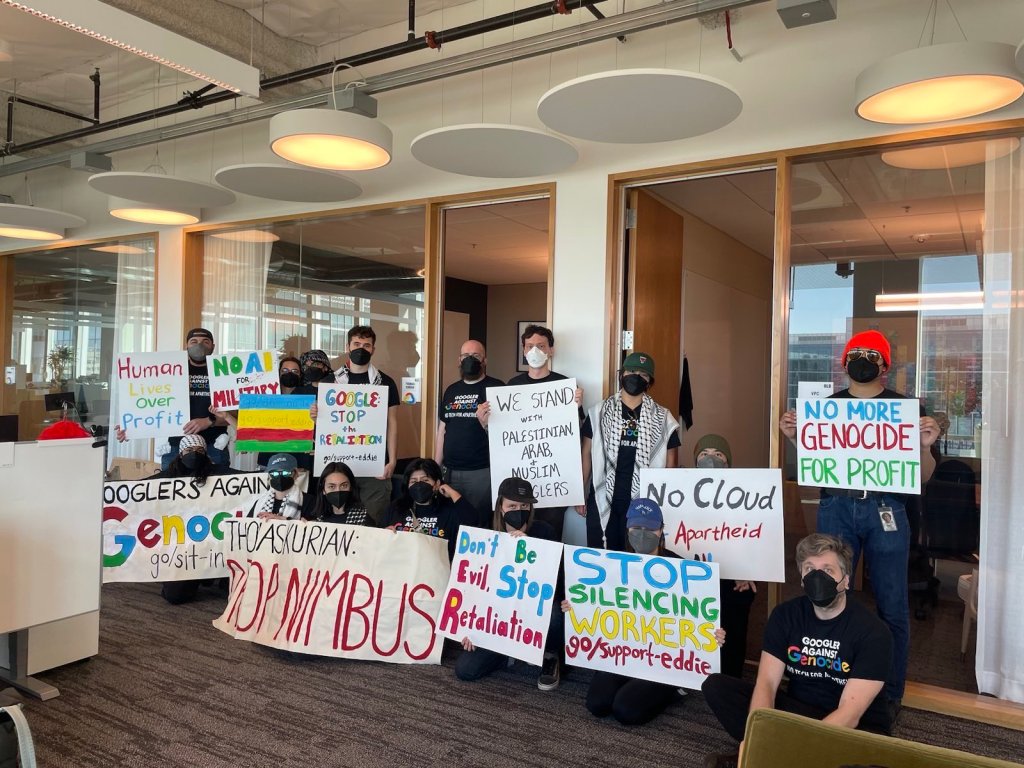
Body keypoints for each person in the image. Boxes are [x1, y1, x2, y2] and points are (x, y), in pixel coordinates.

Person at [779, 329, 939, 712]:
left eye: (872, 354)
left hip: (887, 508)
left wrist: (926, 447)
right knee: (825, 594)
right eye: (856, 353)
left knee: (893, 604)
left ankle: (889, 695)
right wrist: (796, 439)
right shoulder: (828, 409)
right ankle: (827, 682)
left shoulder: (906, 411)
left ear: (885, 364)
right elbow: (819, 469)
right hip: (836, 505)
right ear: (844, 362)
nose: (863, 359)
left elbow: (924, 476)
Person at [701, 533, 893, 768]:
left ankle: (773, 758)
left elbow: (850, 713)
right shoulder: (785, 615)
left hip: (857, 727)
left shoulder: (872, 631)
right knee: (717, 687)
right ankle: (772, 752)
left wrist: (797, 747)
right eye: (809, 569)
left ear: (846, 580)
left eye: (828, 570)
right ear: (802, 579)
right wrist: (758, 736)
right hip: (798, 714)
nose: (817, 576)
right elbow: (767, 684)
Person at [569, 498, 725, 726]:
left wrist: (712, 634)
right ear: (627, 529)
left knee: (626, 711)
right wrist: (575, 608)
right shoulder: (613, 564)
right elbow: (597, 605)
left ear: (661, 530)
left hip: (663, 659)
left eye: (650, 528)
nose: (642, 534)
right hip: (623, 651)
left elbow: (698, 616)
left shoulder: (680, 569)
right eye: (636, 528)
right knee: (597, 704)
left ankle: (673, 689)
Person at [476, 324, 586, 541]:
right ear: (524, 351)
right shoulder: (511, 387)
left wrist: (577, 407)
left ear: (551, 350)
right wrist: (484, 422)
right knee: (516, 537)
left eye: (541, 346)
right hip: (518, 488)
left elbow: (576, 435)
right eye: (530, 346)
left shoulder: (564, 386)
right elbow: (502, 437)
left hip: (555, 485)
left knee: (550, 539)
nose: (535, 351)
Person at [454, 476, 564, 691]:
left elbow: (554, 586)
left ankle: (549, 655)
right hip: (496, 619)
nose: (519, 510)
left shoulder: (544, 532)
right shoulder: (484, 534)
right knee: (465, 670)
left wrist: (529, 547)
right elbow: (470, 586)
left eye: (524, 505)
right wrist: (469, 628)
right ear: (501, 508)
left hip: (533, 613)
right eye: (512, 505)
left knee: (556, 613)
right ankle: (511, 652)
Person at [581, 352, 680, 550]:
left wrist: (667, 504)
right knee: (601, 556)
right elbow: (586, 455)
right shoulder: (598, 412)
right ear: (621, 374)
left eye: (643, 374)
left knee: (635, 560)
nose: (636, 377)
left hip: (643, 505)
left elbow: (671, 464)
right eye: (631, 371)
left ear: (649, 381)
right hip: (602, 497)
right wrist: (580, 494)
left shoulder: (663, 418)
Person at [114, 327, 229, 469]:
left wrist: (209, 420)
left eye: (205, 342)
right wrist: (131, 425)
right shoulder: (168, 371)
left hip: (214, 445)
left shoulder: (224, 372)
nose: (199, 346)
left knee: (216, 489)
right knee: (172, 489)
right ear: (186, 346)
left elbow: (235, 415)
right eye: (194, 341)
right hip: (175, 447)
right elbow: (150, 400)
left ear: (213, 347)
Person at [147, 433, 241, 605]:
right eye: (189, 450)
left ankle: (214, 577)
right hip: (183, 545)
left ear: (205, 453)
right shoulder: (168, 476)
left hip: (214, 542)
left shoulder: (216, 472)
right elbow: (141, 488)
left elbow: (246, 479)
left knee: (234, 591)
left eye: (199, 450)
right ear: (181, 453)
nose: (194, 454)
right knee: (175, 596)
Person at [693, 434, 756, 680]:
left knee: (741, 594)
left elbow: (758, 536)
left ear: (728, 463)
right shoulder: (676, 492)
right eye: (704, 453)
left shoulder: (746, 494)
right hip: (694, 573)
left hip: (732, 575)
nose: (711, 459)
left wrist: (749, 569)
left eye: (718, 455)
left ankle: (730, 676)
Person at [332, 326, 400, 525]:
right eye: (356, 344)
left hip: (375, 468)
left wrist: (393, 460)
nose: (361, 348)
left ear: (373, 349)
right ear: (348, 346)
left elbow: (392, 423)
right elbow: (324, 422)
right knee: (339, 524)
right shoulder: (332, 381)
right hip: (339, 467)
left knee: (374, 523)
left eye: (366, 345)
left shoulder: (385, 382)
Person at [434, 340, 503, 522]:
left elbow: (507, 435)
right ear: (459, 360)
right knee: (452, 520)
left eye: (476, 356)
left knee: (477, 521)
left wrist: (486, 424)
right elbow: (442, 430)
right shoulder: (451, 390)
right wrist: (435, 467)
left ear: (484, 360)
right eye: (465, 356)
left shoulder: (497, 388)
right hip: (450, 471)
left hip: (481, 471)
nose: (470, 359)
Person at [383, 458, 476, 560]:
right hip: (401, 566)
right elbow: (379, 539)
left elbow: (473, 523)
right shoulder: (397, 507)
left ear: (436, 484)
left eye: (425, 480)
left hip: (436, 570)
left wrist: (452, 493)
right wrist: (384, 534)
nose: (418, 485)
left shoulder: (449, 510)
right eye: (413, 481)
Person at [254, 356, 312, 472]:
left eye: (295, 371)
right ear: (278, 373)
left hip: (299, 463)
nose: (289, 373)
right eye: (285, 370)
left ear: (300, 375)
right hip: (268, 460)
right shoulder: (265, 396)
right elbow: (252, 428)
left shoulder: (309, 397)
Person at [303, 461, 374, 526]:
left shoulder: (364, 519)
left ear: (351, 487)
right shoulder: (317, 521)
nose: (338, 490)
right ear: (323, 490)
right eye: (332, 486)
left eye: (344, 486)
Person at [253, 453, 305, 520]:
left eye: (285, 473)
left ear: (295, 474)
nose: (280, 477)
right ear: (268, 476)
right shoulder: (259, 501)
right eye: (274, 474)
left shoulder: (308, 502)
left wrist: (280, 518)